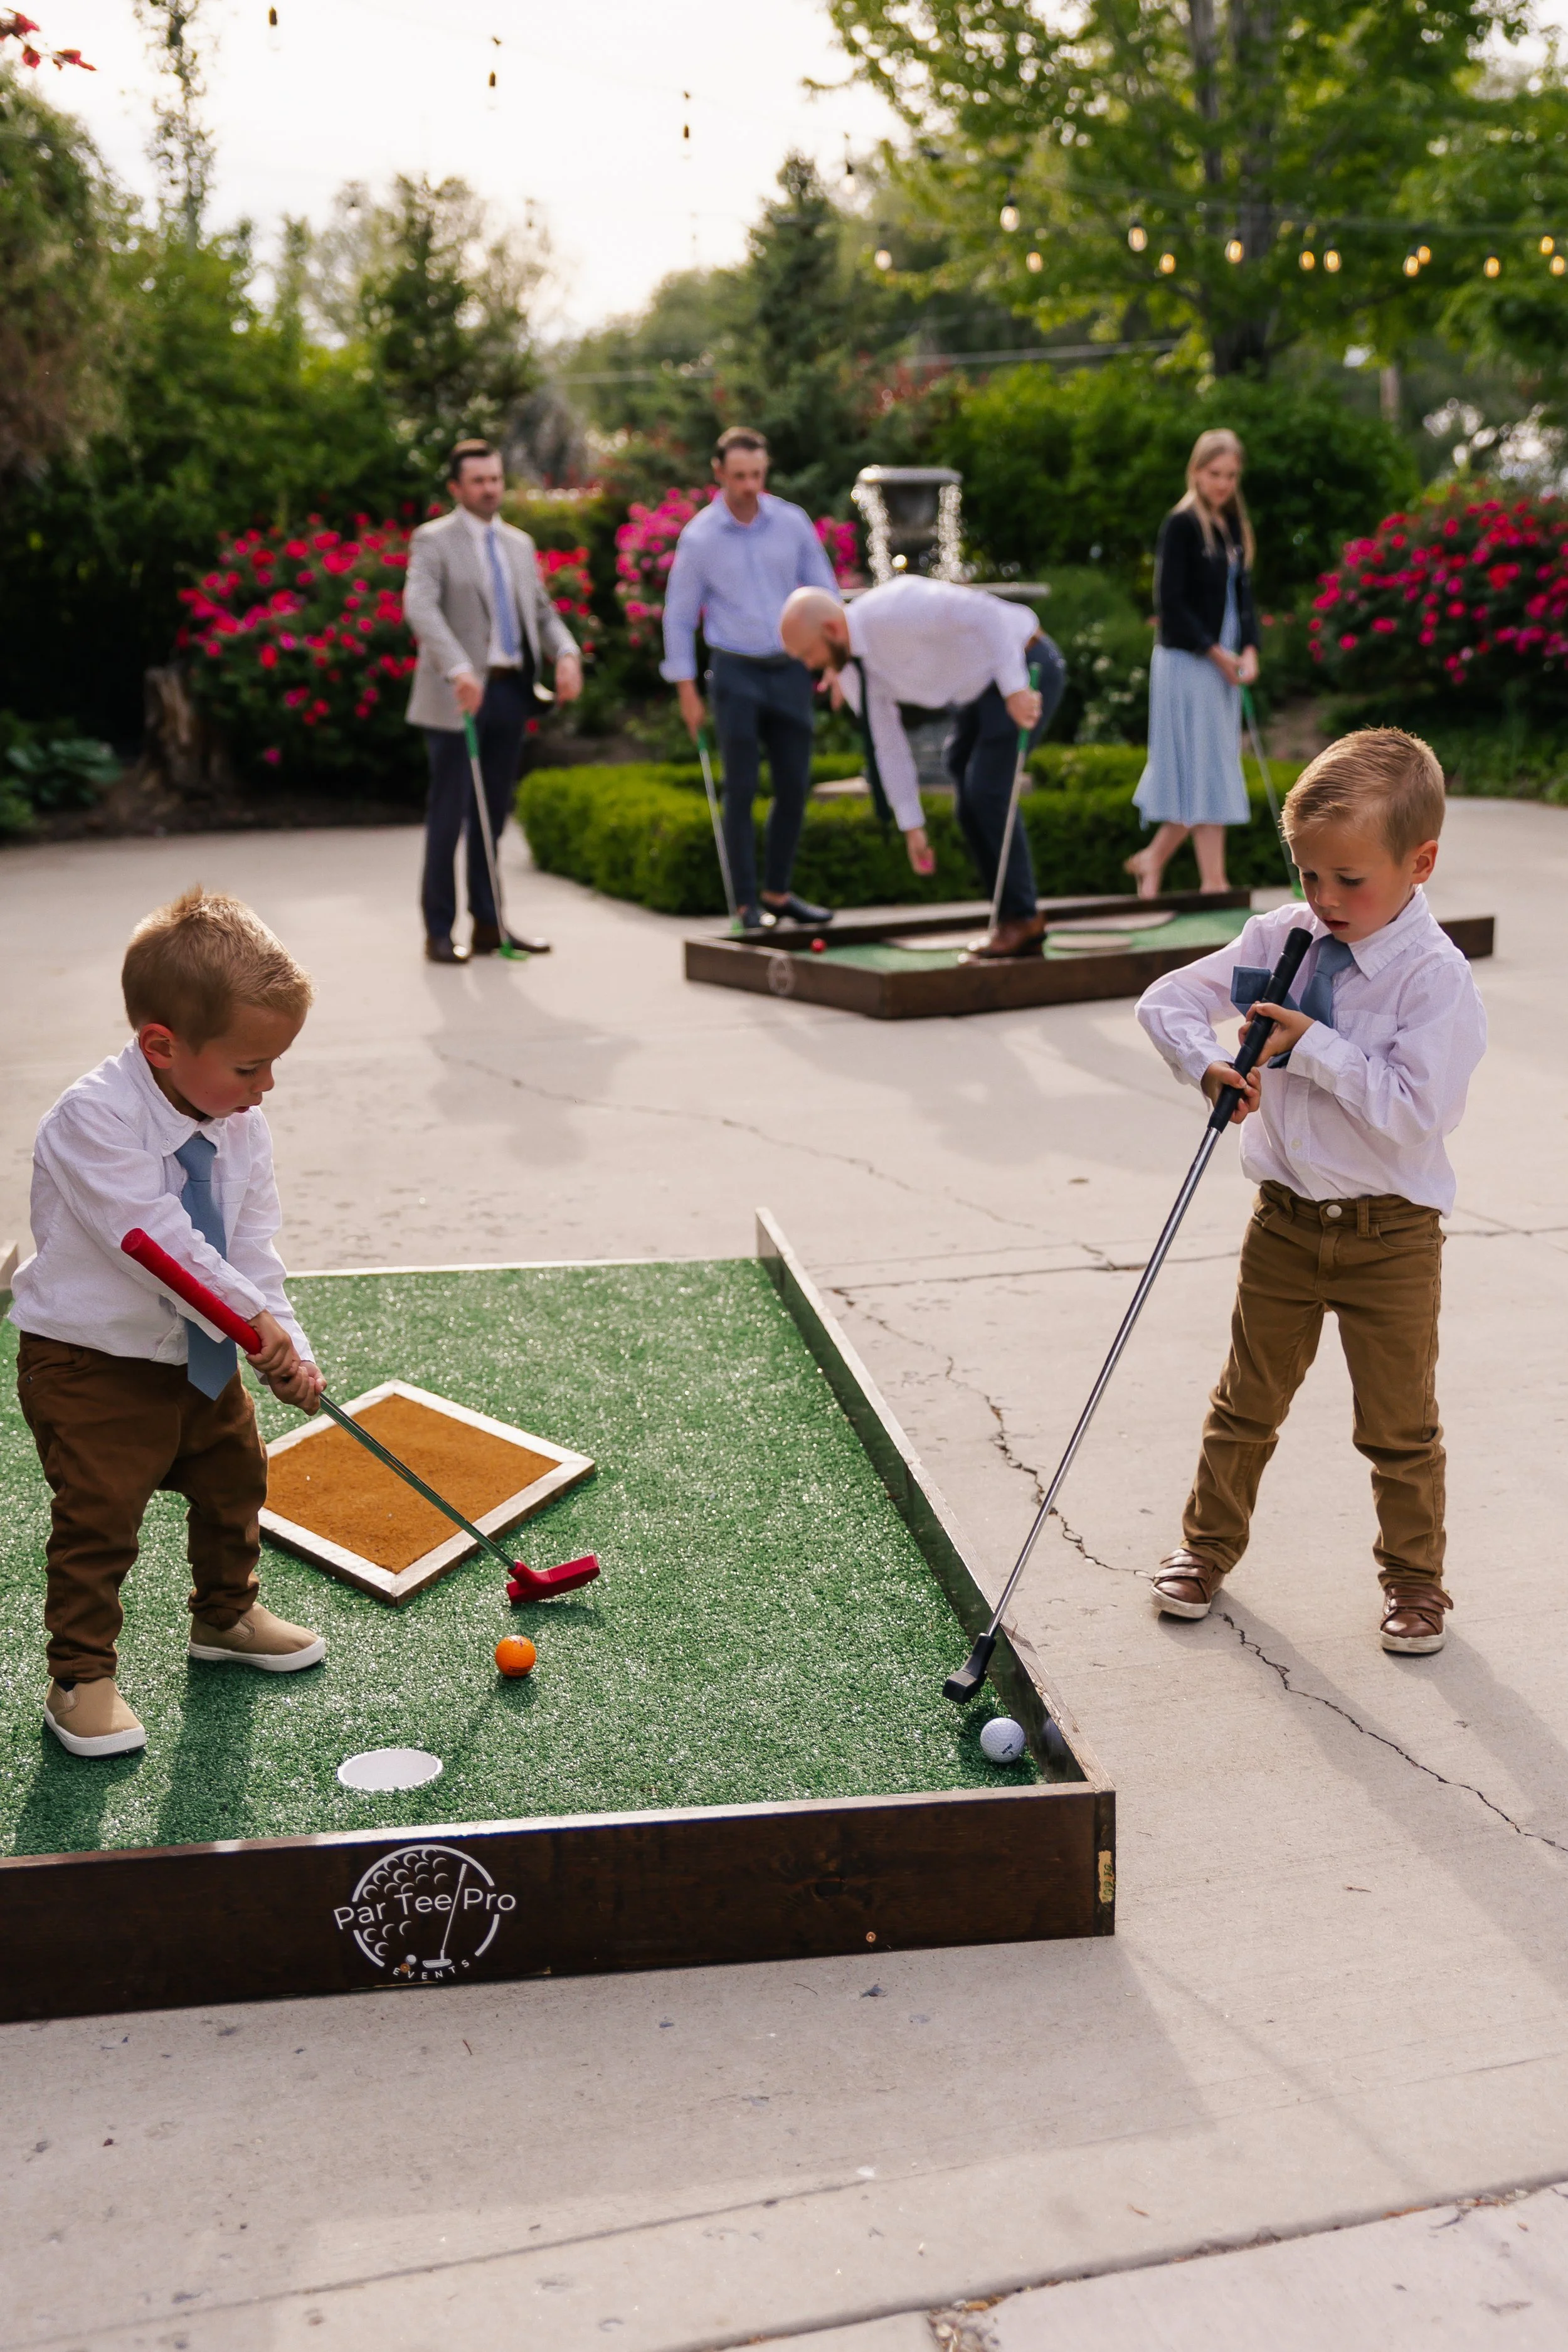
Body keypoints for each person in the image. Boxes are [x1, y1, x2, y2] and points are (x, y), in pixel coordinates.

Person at [1135, 729, 1487, 1655]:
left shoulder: (1434, 977)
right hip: (1284, 1222)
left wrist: (1312, 1047)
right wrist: (1210, 1064)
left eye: (1349, 879)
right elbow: (1166, 1001)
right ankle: (1204, 1550)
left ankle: (1415, 1584)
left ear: (1421, 863)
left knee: (1399, 1426)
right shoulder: (1279, 937)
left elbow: (1418, 1112)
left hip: (1392, 1235)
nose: (1325, 901)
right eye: (1308, 875)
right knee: (1245, 1401)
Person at [9, 888, 327, 1759]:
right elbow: (155, 1242)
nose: (267, 1087)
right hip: (91, 1365)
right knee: (100, 1518)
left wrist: (286, 1343)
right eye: (250, 1065)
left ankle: (224, 1616)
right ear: (161, 1043)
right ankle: (81, 1677)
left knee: (235, 1479)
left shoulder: (238, 1126)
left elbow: (253, 1248)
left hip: (200, 1357)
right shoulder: (91, 1120)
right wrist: (250, 1322)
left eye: (273, 1065)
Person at [779, 577, 1067, 960]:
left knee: (986, 790)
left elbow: (986, 614)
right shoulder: (850, 672)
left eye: (806, 653)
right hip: (978, 693)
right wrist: (912, 825)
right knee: (965, 794)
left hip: (1022, 663)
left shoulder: (896, 606)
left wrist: (1015, 688)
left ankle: (1022, 920)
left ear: (831, 629)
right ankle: (1015, 920)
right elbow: (888, 745)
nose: (809, 665)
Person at [405, 438, 583, 964]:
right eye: (478, 481)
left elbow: (543, 612)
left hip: (510, 692)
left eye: (496, 479)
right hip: (456, 697)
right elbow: (419, 607)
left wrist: (567, 653)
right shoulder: (433, 540)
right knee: (450, 813)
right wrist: (458, 667)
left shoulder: (520, 545)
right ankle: (439, 930)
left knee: (493, 814)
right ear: (457, 488)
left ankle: (488, 922)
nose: (490, 489)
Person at [661, 426, 841, 931]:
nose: (749, 485)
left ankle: (778, 892)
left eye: (757, 474)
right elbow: (678, 616)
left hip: (790, 667)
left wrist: (836, 662)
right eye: (739, 475)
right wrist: (686, 690)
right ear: (718, 473)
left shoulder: (791, 522)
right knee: (740, 789)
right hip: (735, 670)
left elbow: (824, 591)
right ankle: (746, 904)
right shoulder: (699, 536)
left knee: (794, 785)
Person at [1128, 426, 1261, 901]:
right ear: (1196, 472)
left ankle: (1165, 864)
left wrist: (1249, 651)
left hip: (1222, 665)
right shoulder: (1182, 524)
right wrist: (1217, 653)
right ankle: (1212, 882)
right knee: (1199, 768)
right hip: (1188, 663)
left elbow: (1244, 601)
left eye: (1230, 475)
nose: (1222, 484)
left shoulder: (1232, 528)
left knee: (1214, 768)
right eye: (1214, 474)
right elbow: (1172, 604)